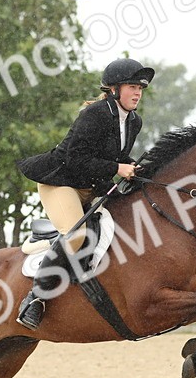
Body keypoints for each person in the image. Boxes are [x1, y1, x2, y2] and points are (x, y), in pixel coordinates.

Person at [13, 57, 155, 329]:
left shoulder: (133, 121)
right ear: (114, 89)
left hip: (92, 186)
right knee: (77, 235)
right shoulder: (95, 114)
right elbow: (76, 159)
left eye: (140, 88)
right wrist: (118, 168)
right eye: (132, 87)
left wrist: (136, 168)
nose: (138, 93)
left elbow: (116, 157)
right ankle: (35, 298)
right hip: (61, 183)